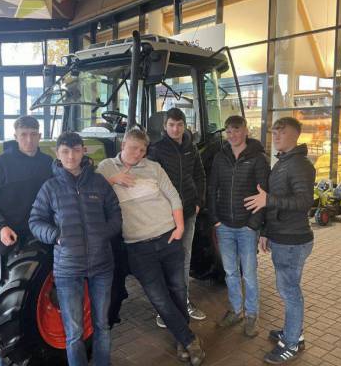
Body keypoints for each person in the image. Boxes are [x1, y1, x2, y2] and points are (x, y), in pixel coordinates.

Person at [97, 128, 205, 366]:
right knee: (159, 297)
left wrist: (179, 228)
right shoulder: (106, 167)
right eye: (134, 148)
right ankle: (189, 339)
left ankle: (181, 339)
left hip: (168, 236)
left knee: (178, 288)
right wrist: (113, 180)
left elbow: (174, 197)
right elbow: (90, 189)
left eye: (143, 150)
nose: (138, 154)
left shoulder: (153, 167)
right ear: (123, 144)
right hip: (138, 246)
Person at [29, 132, 122, 366]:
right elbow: (35, 221)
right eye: (65, 151)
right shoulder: (49, 188)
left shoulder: (99, 183)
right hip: (68, 269)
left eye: (76, 150)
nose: (71, 156)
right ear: (58, 154)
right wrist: (56, 236)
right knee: (74, 331)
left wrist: (103, 234)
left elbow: (116, 215)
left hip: (102, 266)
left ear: (84, 151)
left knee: (102, 324)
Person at [244, 117, 315, 364]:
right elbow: (273, 201)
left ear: (294, 135)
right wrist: (266, 232)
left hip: (293, 240)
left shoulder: (300, 165)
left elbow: (305, 202)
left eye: (280, 133)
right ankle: (293, 333)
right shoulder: (284, 162)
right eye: (274, 133)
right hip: (283, 237)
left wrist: (269, 201)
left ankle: (292, 344)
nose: (275, 137)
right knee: (288, 289)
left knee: (290, 292)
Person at [208, 115, 270, 337]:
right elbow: (211, 188)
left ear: (245, 130)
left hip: (246, 228)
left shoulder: (258, 159)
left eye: (236, 129)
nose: (232, 134)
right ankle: (236, 310)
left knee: (249, 274)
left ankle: (252, 314)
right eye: (228, 130)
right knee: (230, 272)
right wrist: (215, 219)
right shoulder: (219, 157)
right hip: (223, 225)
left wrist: (254, 224)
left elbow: (264, 194)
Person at [147, 107, 206, 326]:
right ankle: (165, 308)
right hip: (166, 215)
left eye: (179, 124)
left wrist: (199, 201)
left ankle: (184, 300)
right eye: (171, 124)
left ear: (185, 126)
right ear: (165, 126)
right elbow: (151, 180)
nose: (175, 128)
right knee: (167, 259)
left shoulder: (191, 148)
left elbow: (200, 175)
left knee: (185, 256)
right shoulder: (157, 149)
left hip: (189, 211)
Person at [0, 115, 52, 255]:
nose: (29, 140)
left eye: (33, 134)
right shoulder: (1, 163)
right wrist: (1, 227)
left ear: (39, 136)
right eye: (23, 135)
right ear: (15, 136)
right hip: (10, 233)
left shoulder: (48, 163)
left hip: (42, 231)